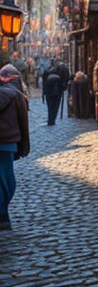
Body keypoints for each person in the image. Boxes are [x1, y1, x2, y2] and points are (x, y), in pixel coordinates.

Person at [0, 64, 30, 230]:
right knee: (7, 180)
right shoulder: (18, 96)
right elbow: (23, 123)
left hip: (8, 143)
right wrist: (23, 146)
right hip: (9, 143)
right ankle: (3, 215)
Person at [41, 61, 66, 126]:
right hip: (57, 90)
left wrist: (44, 92)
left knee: (50, 106)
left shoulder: (47, 71)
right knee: (55, 106)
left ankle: (50, 119)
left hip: (48, 90)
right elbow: (64, 81)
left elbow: (43, 82)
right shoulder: (60, 71)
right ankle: (52, 119)